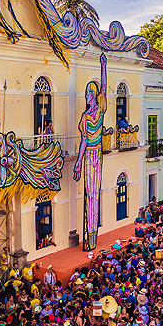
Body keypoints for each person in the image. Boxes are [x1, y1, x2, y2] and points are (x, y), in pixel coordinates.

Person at [73, 53, 108, 250]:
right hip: (89, 154)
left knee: (96, 191)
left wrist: (103, 66)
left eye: (89, 94)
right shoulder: (85, 117)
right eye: (86, 94)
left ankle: (93, 233)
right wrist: (78, 162)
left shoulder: (100, 109)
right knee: (90, 193)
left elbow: (105, 86)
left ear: (94, 95)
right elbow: (84, 140)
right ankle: (90, 235)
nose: (87, 97)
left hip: (98, 153)